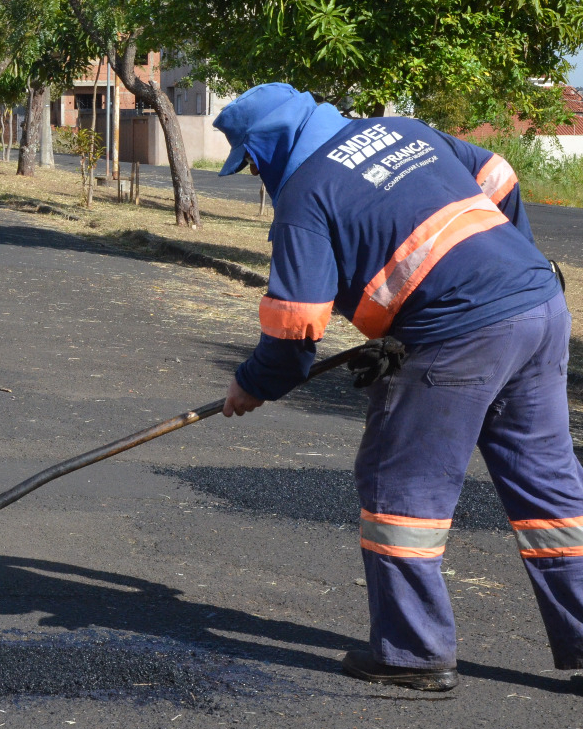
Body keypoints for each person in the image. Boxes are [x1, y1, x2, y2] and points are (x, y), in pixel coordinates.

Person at [214, 82, 582, 692]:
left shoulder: (306, 194)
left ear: (268, 146)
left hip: (459, 334)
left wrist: (251, 384)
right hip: (539, 306)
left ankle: (413, 653)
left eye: (251, 161)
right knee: (549, 487)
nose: (255, 174)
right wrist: (514, 261)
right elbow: (498, 174)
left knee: (401, 488)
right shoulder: (403, 131)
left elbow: (296, 328)